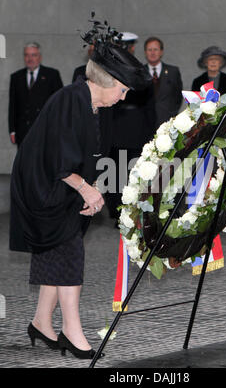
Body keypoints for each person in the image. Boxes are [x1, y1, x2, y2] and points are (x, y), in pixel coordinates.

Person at [9, 20, 151, 359]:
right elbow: (59, 159)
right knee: (69, 250)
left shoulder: (92, 103)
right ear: (111, 82)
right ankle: (72, 332)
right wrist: (86, 190)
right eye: (123, 90)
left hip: (59, 184)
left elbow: (90, 158)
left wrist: (94, 189)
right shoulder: (71, 99)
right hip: (41, 186)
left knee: (55, 250)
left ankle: (42, 322)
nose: (124, 96)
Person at [105, 32, 156, 223]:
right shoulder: (109, 70)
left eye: (128, 47)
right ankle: (116, 211)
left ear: (133, 48)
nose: (126, 50)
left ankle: (136, 210)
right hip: (117, 126)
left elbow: (149, 102)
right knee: (115, 172)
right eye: (121, 46)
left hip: (137, 127)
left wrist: (151, 130)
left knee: (136, 172)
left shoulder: (140, 71)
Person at [8, 42, 63, 146]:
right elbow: (13, 106)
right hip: (23, 131)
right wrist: (12, 130)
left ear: (40, 57)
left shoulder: (52, 75)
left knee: (44, 161)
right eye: (26, 55)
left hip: (45, 129)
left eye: (33, 55)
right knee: (24, 161)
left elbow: (60, 103)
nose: (30, 58)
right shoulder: (16, 77)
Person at [144, 36, 183, 129]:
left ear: (161, 52)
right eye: (149, 50)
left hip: (167, 122)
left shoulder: (173, 71)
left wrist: (172, 113)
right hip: (144, 124)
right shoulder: (139, 72)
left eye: (155, 49)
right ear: (145, 52)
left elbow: (178, 96)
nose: (152, 53)